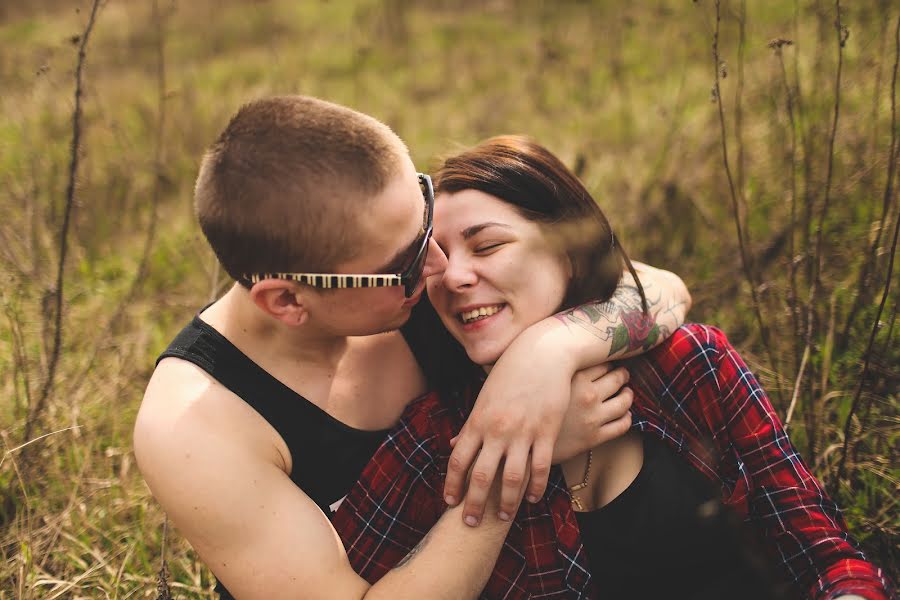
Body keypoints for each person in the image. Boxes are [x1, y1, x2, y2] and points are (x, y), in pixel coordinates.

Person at [133, 96, 692, 599]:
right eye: (404, 265)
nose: (442, 268)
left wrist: (546, 355)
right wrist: (512, 459)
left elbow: (659, 290)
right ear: (286, 302)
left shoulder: (379, 236)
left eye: (426, 221)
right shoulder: (196, 430)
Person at [331, 135, 891, 599]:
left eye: (488, 246)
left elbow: (819, 550)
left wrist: (549, 346)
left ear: (569, 253)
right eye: (439, 259)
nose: (454, 277)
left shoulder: (690, 367)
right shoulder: (435, 438)